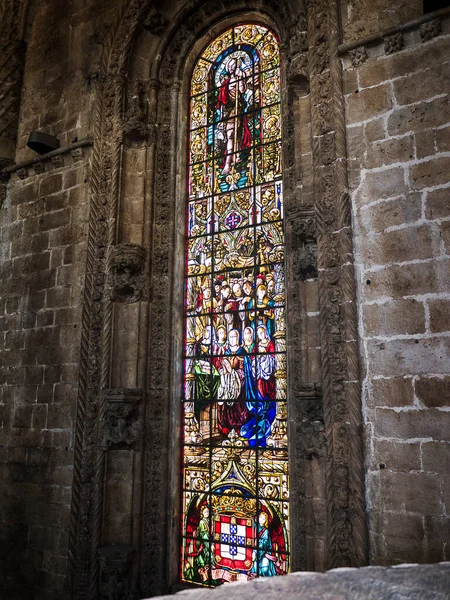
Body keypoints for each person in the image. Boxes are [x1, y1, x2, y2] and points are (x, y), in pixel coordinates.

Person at [216, 56, 252, 174]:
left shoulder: (239, 78)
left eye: (233, 65)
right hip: (227, 110)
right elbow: (222, 101)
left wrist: (241, 77)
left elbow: (242, 91)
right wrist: (221, 119)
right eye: (229, 66)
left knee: (236, 133)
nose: (231, 68)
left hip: (238, 108)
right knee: (230, 134)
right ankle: (228, 162)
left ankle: (235, 158)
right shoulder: (225, 83)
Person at [217, 329, 248, 436]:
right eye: (230, 337)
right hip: (227, 384)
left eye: (234, 337)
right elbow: (222, 367)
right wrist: (224, 371)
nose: (232, 339)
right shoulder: (227, 352)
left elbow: (244, 371)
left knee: (238, 405)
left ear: (238, 338)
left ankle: (239, 427)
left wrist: (233, 372)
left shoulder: (242, 352)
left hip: (239, 385)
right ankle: (227, 427)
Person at [185, 506, 213, 583]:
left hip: (209, 541)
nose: (206, 513)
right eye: (205, 512)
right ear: (202, 513)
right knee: (204, 559)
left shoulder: (210, 520)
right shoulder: (201, 522)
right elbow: (203, 534)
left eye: (207, 511)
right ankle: (204, 577)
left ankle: (209, 575)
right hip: (204, 543)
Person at [249, 512, 279, 577]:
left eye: (264, 519)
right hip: (256, 551)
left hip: (264, 553)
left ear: (266, 521)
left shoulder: (266, 531)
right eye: (261, 517)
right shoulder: (255, 526)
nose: (261, 519)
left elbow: (263, 545)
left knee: (265, 568)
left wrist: (255, 553)